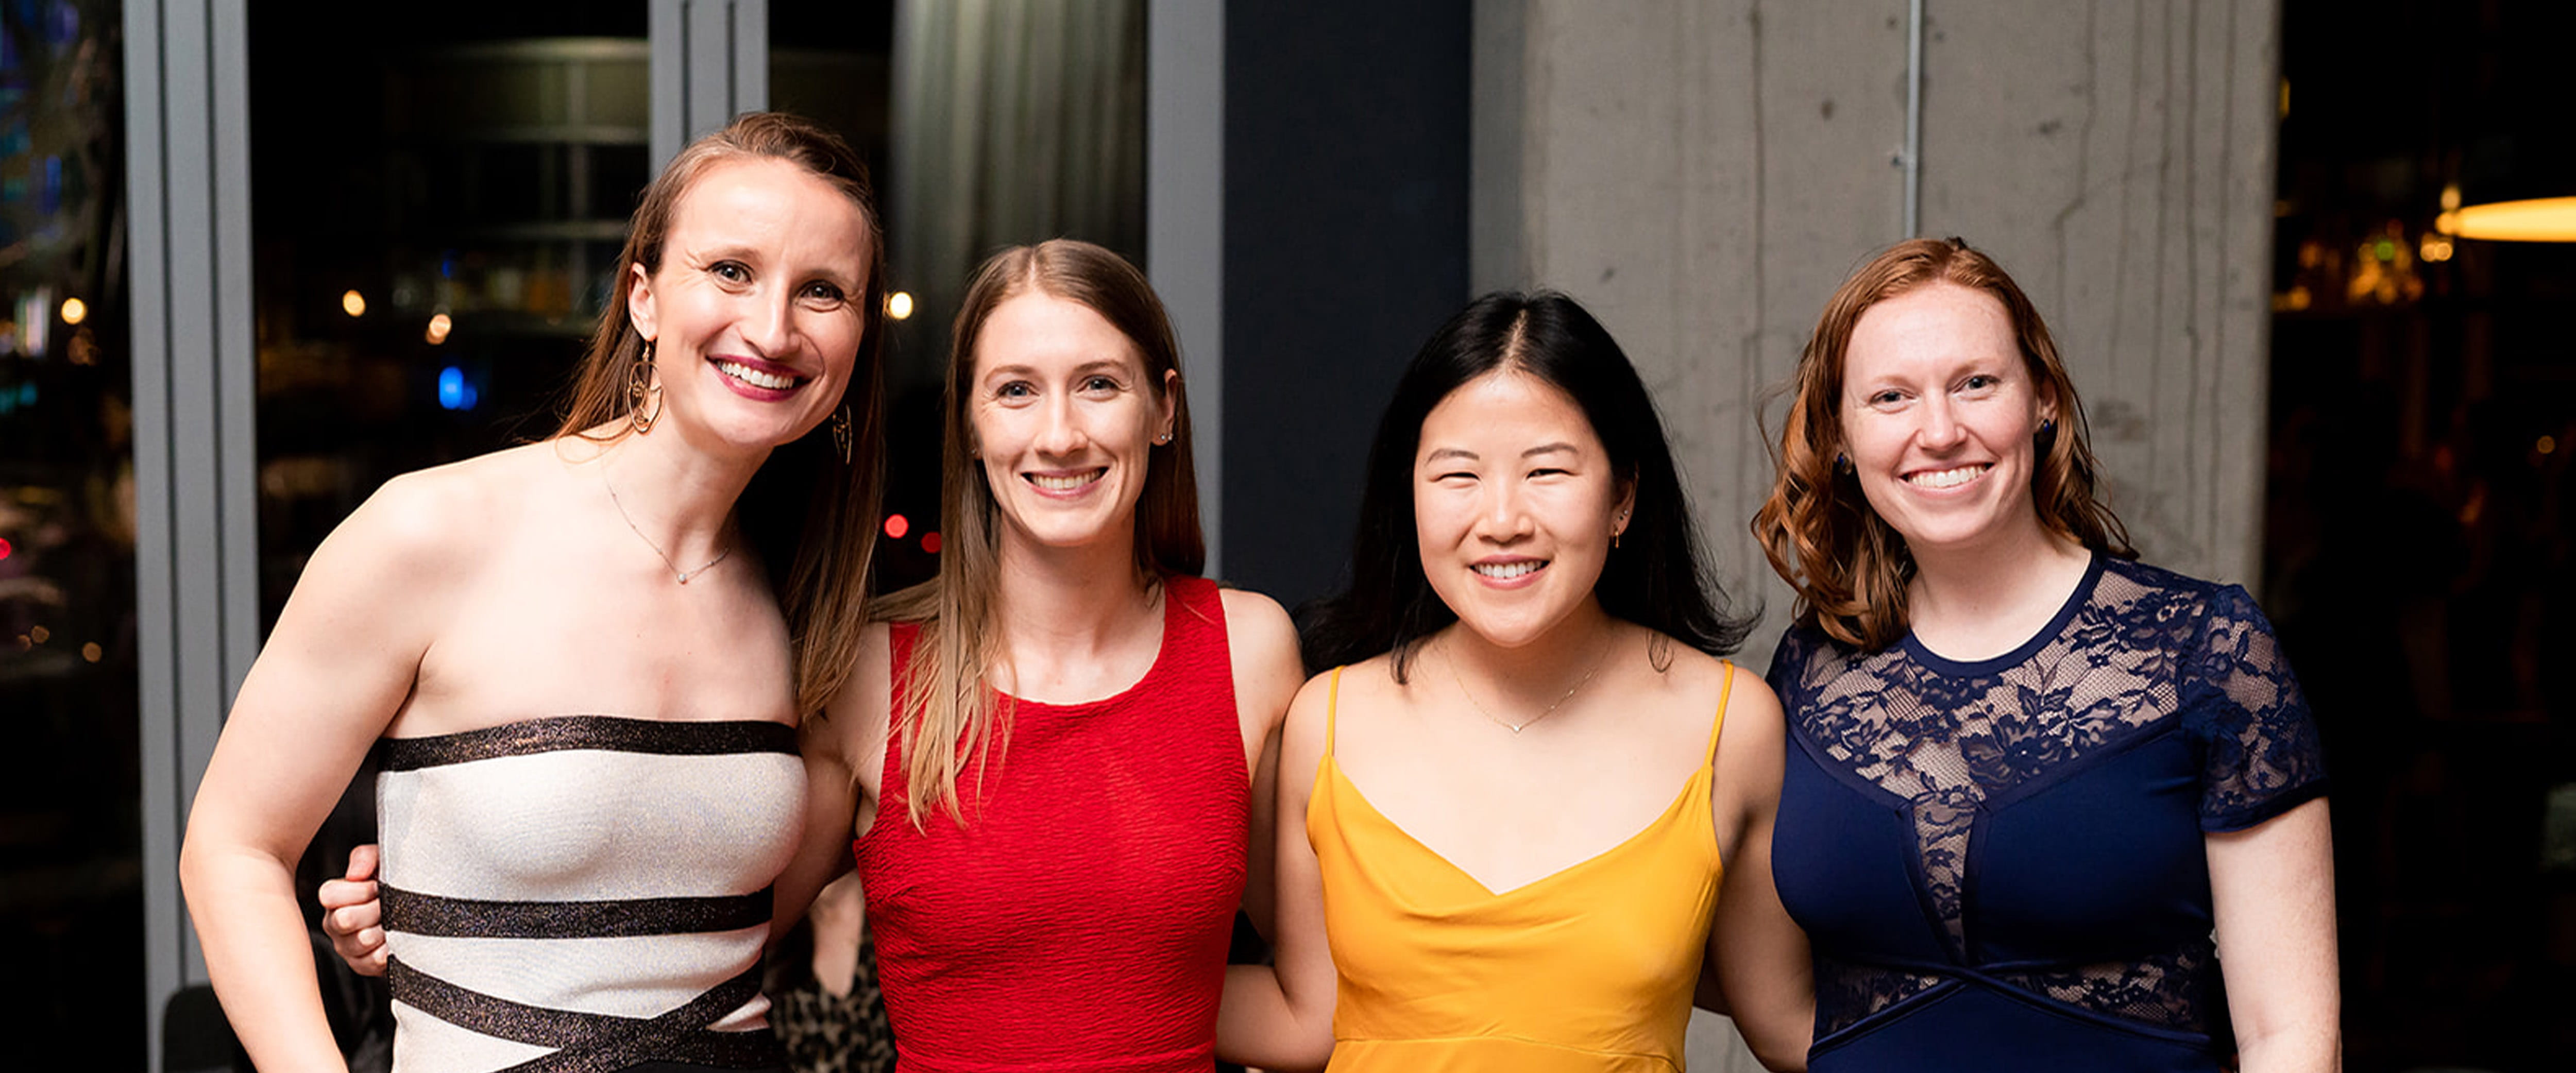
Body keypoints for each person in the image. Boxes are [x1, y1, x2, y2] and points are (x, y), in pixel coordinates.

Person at [181, 112, 891, 1073]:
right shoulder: (431, 532)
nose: (771, 327)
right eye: (730, 270)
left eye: (822, 291)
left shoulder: (813, 600)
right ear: (642, 296)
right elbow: (232, 851)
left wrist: (460, 907)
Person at [1748, 237, 2337, 1072]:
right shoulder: (1814, 666)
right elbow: (1785, 1016)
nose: (1941, 431)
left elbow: (2291, 1037)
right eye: (1891, 397)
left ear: (2044, 401)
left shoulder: (2206, 648)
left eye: (1976, 384)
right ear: (1840, 437)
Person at [1218, 292, 1811, 1072]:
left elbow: (1789, 1023)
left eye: (1547, 471)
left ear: (1622, 497)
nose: (1502, 519)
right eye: (1457, 475)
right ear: (1412, 497)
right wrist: (1037, 983)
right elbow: (1307, 1021)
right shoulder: (1328, 722)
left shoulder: (1729, 726)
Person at [773, 238, 1306, 1071]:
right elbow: (710, 963)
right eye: (1016, 391)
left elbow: (1309, 1014)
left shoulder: (1250, 651)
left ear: (1164, 409)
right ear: (972, 427)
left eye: (1099, 385)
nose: (1059, 435)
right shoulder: (870, 676)